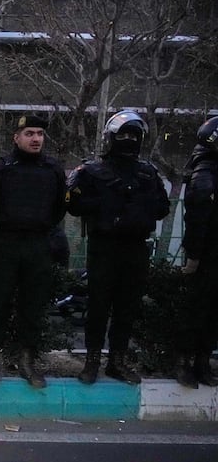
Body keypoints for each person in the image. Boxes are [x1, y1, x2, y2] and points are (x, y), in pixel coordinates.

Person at [66, 111, 170, 385]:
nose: (129, 140)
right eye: (123, 134)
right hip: (105, 248)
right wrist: (104, 207)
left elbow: (162, 207)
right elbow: (72, 203)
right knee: (98, 306)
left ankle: (117, 361)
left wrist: (136, 209)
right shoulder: (91, 171)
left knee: (127, 308)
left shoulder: (147, 173)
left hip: (135, 248)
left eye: (134, 135)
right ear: (111, 138)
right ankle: (91, 361)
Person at [0, 115, 66, 388]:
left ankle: (27, 360)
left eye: (40, 133)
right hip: (6, 244)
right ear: (16, 137)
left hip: (38, 245)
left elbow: (59, 209)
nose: (36, 138)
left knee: (33, 306)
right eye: (29, 133)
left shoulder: (53, 169)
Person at [178, 115, 218, 389]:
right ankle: (184, 362)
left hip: (210, 252)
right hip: (206, 254)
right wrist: (193, 255)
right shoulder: (205, 170)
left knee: (211, 312)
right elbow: (197, 216)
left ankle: (202, 362)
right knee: (196, 310)